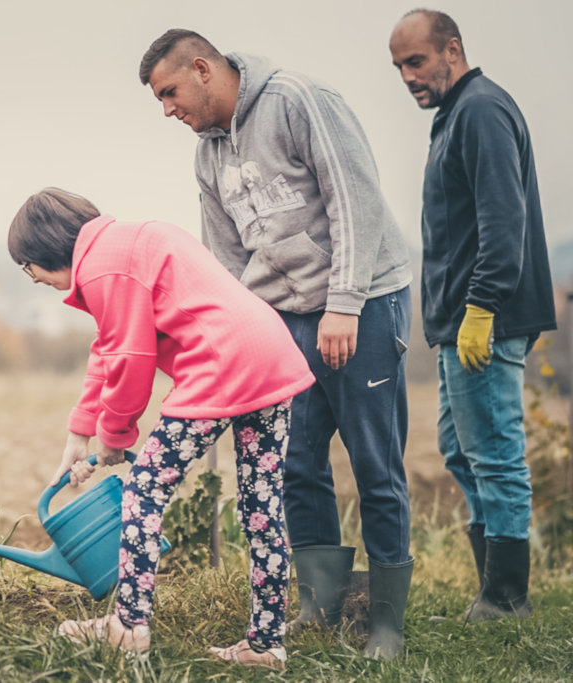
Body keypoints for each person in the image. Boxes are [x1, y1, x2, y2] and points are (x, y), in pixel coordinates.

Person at [139, 29, 415, 659]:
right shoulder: (208, 156)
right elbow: (228, 261)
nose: (168, 110)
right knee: (295, 461)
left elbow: (357, 202)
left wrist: (344, 303)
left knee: (375, 461)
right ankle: (321, 607)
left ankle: (387, 624)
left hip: (364, 300)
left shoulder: (297, 101)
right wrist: (239, 343)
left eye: (170, 92)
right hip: (286, 316)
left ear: (203, 69)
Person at [8, 187, 315, 670]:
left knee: (143, 492)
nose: (37, 281)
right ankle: (267, 645)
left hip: (220, 367)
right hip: (269, 356)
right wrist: (81, 433)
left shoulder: (103, 266)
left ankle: (129, 627)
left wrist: (116, 435)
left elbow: (130, 360)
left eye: (30, 271)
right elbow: (109, 347)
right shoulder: (123, 243)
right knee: (262, 505)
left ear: (44, 251)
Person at [389, 9, 556, 621]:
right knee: (463, 452)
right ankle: (495, 591)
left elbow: (502, 221)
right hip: (458, 323)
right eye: (399, 66)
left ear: (451, 50)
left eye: (417, 61)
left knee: (495, 453)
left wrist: (482, 308)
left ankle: (508, 598)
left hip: (484, 319)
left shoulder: (480, 109)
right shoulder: (455, 115)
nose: (407, 76)